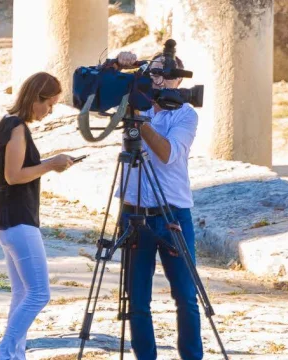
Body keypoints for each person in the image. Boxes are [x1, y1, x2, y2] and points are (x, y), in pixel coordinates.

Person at [115, 50, 203, 360]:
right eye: (153, 74)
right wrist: (115, 66)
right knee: (137, 299)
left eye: (166, 75)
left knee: (186, 295)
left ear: (179, 80)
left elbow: (167, 154)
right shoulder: (130, 102)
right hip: (133, 211)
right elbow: (93, 98)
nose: (158, 80)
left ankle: (192, 356)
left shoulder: (185, 114)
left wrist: (142, 122)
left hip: (172, 213)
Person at [0, 72, 76, 360]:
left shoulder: (10, 125)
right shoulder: (16, 127)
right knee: (39, 294)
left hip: (10, 219)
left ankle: (15, 355)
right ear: (36, 98)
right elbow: (12, 176)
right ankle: (5, 352)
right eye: (49, 104)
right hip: (17, 220)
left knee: (22, 293)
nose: (50, 111)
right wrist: (51, 163)